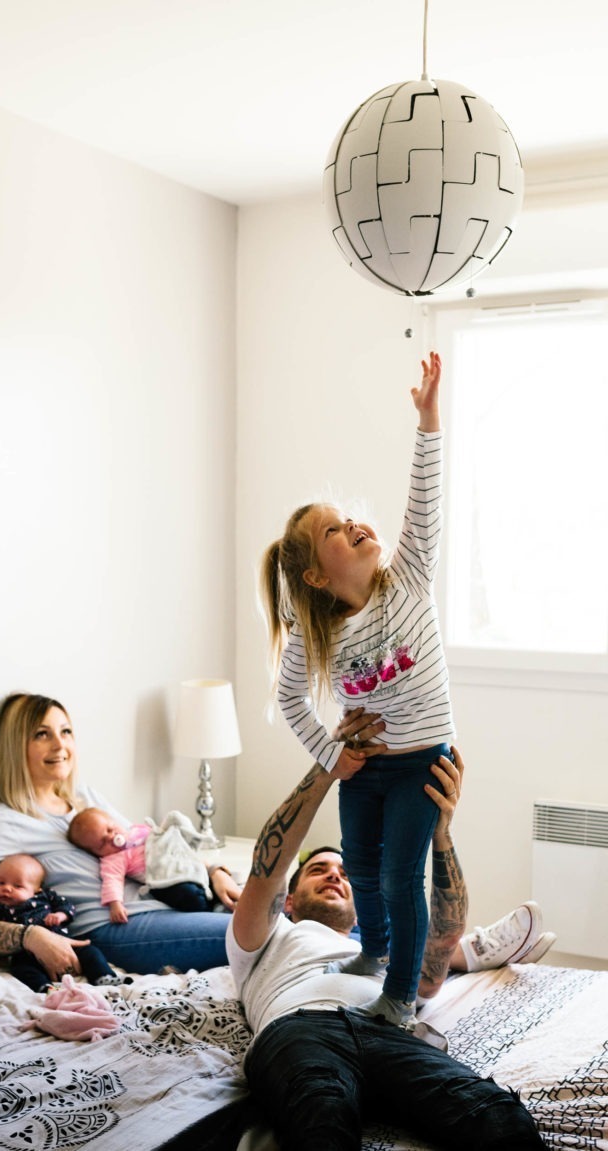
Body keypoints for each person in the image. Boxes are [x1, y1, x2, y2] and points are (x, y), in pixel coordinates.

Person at [226, 738, 548, 1151]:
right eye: (318, 870)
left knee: (500, 1118)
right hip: (301, 1029)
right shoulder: (267, 936)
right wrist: (329, 765)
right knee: (320, 1128)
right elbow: (267, 866)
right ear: (288, 900)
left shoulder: (385, 949)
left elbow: (435, 962)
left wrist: (441, 832)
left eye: (344, 873)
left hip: (392, 1033)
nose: (334, 877)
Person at [259, 351, 455, 1026]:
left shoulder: (408, 575)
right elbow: (290, 700)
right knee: (364, 873)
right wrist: (330, 755)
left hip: (423, 761)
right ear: (317, 575)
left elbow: (423, 499)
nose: (353, 526)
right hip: (365, 768)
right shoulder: (314, 633)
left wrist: (428, 419)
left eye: (348, 518)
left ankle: (400, 994)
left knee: (402, 875)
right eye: (334, 532)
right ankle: (372, 951)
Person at [0, 693, 241, 981]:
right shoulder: (0, 821)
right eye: (42, 734)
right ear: (15, 747)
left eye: (66, 731)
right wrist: (32, 936)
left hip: (165, 902)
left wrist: (215, 872)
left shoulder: (84, 798)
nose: (60, 745)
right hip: (117, 927)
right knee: (255, 934)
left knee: (269, 910)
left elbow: (150, 849)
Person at [0, 852, 121, 991]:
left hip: (64, 943)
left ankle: (103, 976)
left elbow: (68, 906)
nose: (7, 889)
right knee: (21, 968)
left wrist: (61, 915)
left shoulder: (46, 897)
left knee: (91, 952)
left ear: (36, 890)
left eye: (18, 886)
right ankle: (43, 987)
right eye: (0, 883)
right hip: (26, 953)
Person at [68, 807, 211, 920]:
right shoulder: (114, 859)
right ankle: (209, 911)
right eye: (102, 843)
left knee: (205, 880)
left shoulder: (139, 831)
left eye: (110, 829)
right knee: (189, 895)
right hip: (163, 882)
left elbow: (163, 837)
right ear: (96, 853)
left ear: (115, 821)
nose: (111, 837)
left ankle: (216, 902)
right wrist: (115, 904)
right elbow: (112, 881)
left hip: (180, 866)